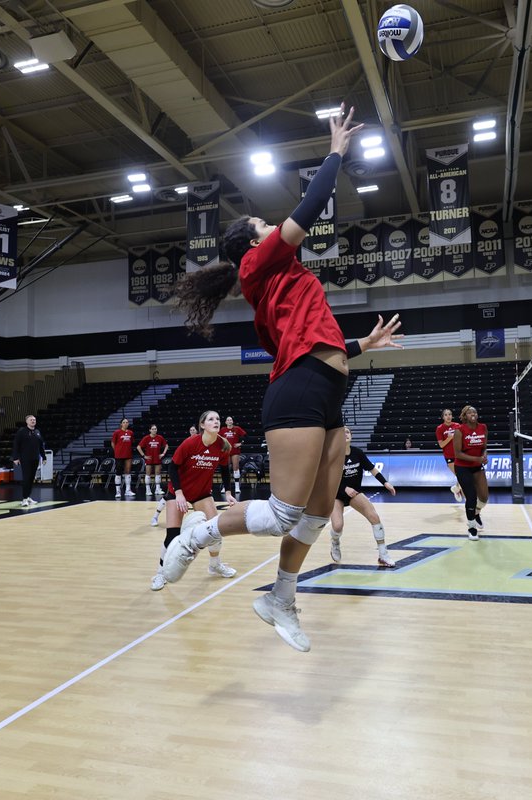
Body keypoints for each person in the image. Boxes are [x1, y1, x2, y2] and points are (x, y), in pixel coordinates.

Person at [160, 104, 402, 652]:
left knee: (317, 514)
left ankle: (280, 599)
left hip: (327, 386)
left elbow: (321, 344)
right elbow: (313, 205)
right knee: (283, 513)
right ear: (251, 244)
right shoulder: (255, 266)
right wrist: (336, 151)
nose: (274, 228)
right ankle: (195, 536)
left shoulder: (280, 282)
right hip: (299, 390)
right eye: (265, 227)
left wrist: (364, 345)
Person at [149, 411, 237, 592]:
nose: (216, 421)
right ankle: (160, 573)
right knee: (172, 536)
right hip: (178, 491)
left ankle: (214, 565)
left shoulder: (222, 445)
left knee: (215, 531)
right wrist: (179, 493)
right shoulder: (191, 443)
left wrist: (228, 492)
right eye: (211, 419)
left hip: (202, 493)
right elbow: (172, 466)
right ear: (202, 425)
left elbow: (225, 470)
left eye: (218, 419)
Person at [328, 427, 398, 567]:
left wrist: (385, 482)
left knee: (374, 517)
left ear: (351, 436)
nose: (345, 434)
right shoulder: (334, 455)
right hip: (336, 494)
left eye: (347, 432)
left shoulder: (357, 453)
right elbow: (328, 479)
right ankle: (335, 542)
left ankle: (383, 555)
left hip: (354, 493)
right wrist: (344, 488)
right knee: (338, 525)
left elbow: (372, 469)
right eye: (342, 433)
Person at [454, 405, 489, 540]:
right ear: (465, 416)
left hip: (477, 466)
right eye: (469, 412)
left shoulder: (483, 427)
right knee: (472, 497)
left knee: (484, 497)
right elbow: (458, 454)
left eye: (475, 411)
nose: (473, 413)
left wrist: (484, 456)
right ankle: (472, 527)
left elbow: (484, 447)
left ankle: (476, 513)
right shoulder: (460, 430)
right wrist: (477, 459)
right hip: (462, 467)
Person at [12, 414, 47, 507]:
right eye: (31, 420)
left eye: (34, 420)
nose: (33, 421)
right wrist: (15, 457)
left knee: (31, 479)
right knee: (26, 478)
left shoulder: (37, 432)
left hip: (35, 459)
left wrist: (44, 457)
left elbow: (41, 446)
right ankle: (24, 499)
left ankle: (28, 497)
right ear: (27, 421)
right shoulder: (22, 432)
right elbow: (16, 444)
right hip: (25, 459)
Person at [435, 408, 465, 503]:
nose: (448, 416)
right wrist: (449, 438)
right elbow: (441, 445)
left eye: (450, 414)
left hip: (460, 454)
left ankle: (456, 488)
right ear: (443, 417)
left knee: (463, 476)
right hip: (449, 457)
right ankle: (464, 497)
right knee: (461, 477)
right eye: (446, 415)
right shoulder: (440, 428)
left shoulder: (457, 426)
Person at [135, 424, 168, 497]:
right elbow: (138, 447)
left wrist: (163, 453)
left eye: (155, 429)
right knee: (148, 474)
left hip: (157, 458)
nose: (154, 430)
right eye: (153, 429)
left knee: (158, 474)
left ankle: (158, 489)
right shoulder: (146, 438)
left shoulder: (160, 437)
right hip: (149, 459)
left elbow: (166, 445)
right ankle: (148, 490)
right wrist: (144, 456)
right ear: (150, 430)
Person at [221, 416, 247, 497]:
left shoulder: (237, 428)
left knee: (236, 468)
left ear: (232, 421)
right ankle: (226, 487)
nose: (229, 421)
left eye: (230, 420)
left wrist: (240, 443)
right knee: (226, 468)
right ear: (226, 422)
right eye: (228, 420)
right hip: (226, 451)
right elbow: (217, 439)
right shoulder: (222, 430)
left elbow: (246, 437)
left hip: (235, 451)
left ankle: (237, 487)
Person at [110, 418, 136, 499]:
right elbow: (113, 443)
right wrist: (117, 451)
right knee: (118, 472)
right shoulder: (117, 432)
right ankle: (118, 491)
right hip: (119, 455)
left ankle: (128, 490)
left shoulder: (131, 433)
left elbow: (131, 442)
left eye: (127, 422)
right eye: (124, 422)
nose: (125, 423)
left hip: (128, 455)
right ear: (121, 424)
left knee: (128, 471)